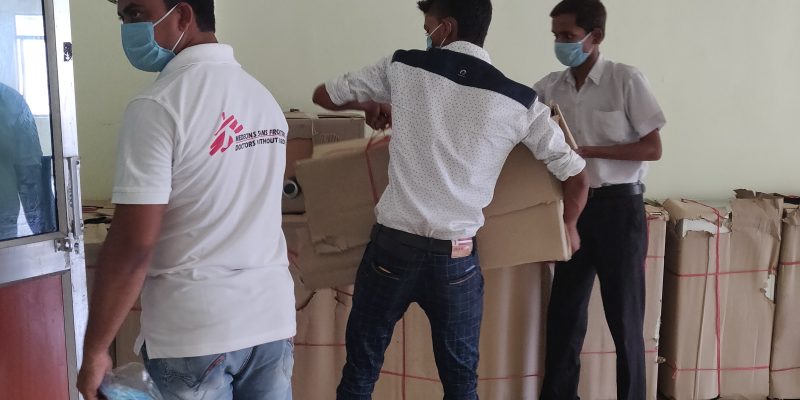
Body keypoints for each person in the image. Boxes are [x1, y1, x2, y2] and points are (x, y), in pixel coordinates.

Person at [312, 0, 588, 398]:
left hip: (392, 251)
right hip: (455, 263)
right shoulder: (517, 101)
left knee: (360, 372)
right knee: (460, 385)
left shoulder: (404, 66)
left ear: (446, 28)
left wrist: (373, 105)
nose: (426, 35)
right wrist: (569, 227)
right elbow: (577, 174)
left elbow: (326, 95)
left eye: (428, 25)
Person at [77, 1, 295, 399]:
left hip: (195, 333)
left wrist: (94, 352)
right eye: (124, 17)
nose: (127, 28)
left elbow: (132, 246)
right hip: (270, 325)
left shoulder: (158, 106)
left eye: (136, 14)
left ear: (182, 16)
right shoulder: (263, 100)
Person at [534, 1, 666, 399]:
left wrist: (589, 151)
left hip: (619, 210)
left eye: (569, 37)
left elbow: (652, 148)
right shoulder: (548, 89)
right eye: (556, 35)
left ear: (595, 37)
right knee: (564, 317)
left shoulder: (625, 80)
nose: (560, 43)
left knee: (625, 319)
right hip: (572, 209)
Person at [0, 82, 50, 240]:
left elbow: (31, 175)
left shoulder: (11, 101)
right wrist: (47, 235)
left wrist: (47, 235)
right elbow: (30, 175)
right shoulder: (10, 100)